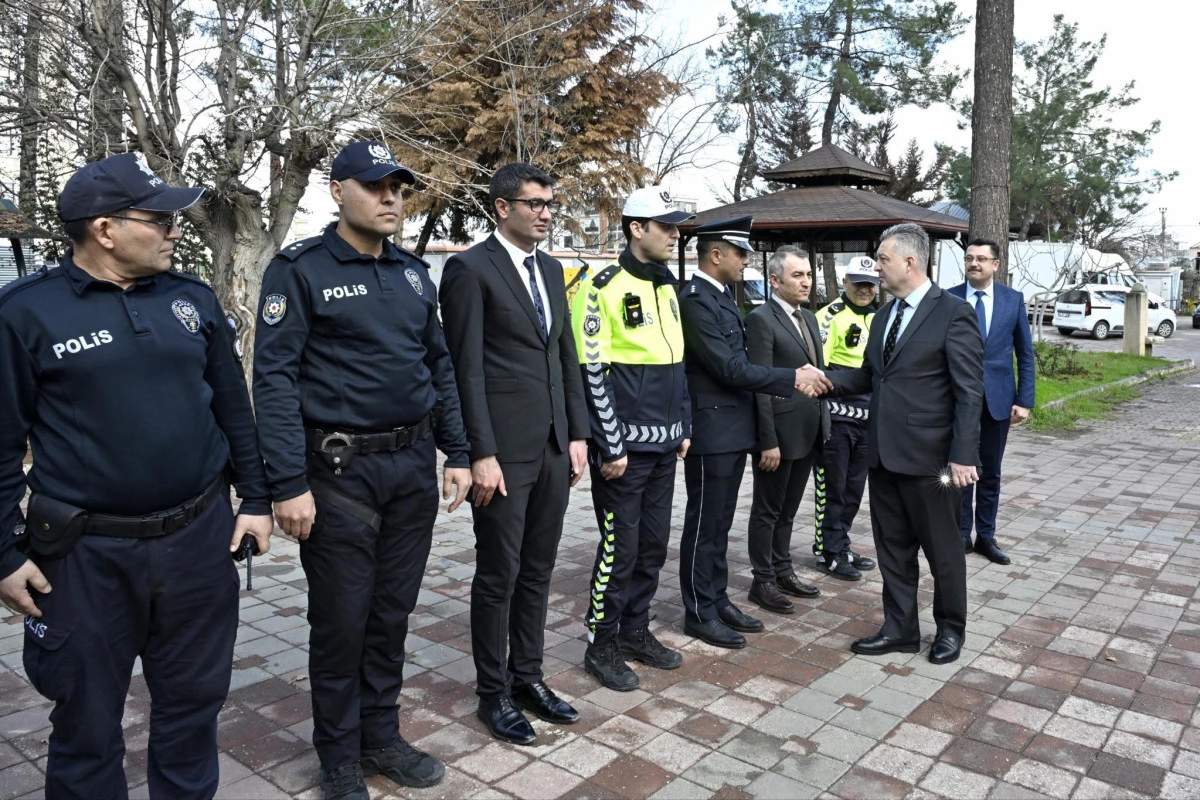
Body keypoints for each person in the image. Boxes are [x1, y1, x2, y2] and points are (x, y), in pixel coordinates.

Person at [0, 153, 273, 800]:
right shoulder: (23, 314)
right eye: (160, 218)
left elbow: (233, 407)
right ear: (104, 229)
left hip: (199, 541)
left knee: (192, 711)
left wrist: (257, 498)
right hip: (87, 557)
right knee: (88, 725)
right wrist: (4, 554)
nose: (176, 230)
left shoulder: (192, 298)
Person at [253, 141, 471, 800]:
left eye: (398, 188)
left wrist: (457, 451)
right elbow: (274, 379)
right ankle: (339, 756)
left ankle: (382, 736)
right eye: (376, 186)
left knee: (391, 615)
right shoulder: (300, 270)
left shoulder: (411, 273)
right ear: (337, 190)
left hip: (410, 469)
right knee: (343, 622)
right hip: (339, 475)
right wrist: (286, 483)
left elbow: (438, 365)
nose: (390, 199)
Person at [439, 163, 589, 746]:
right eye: (534, 203)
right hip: (501, 454)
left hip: (552, 446)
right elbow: (463, 369)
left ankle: (529, 677)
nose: (546, 212)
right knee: (499, 574)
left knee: (539, 570)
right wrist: (479, 451)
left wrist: (577, 433)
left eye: (550, 202)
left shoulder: (552, 270)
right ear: (502, 207)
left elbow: (565, 355)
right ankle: (492, 692)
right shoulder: (469, 268)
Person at [799, 223, 983, 665]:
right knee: (893, 550)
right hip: (883, 456)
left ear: (909, 261)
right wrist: (824, 380)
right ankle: (900, 629)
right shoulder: (884, 315)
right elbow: (868, 377)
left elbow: (969, 390)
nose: (876, 267)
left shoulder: (954, 312)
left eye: (882, 259)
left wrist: (962, 455)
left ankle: (950, 630)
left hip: (932, 460)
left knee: (943, 553)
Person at [571, 187, 694, 691]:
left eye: (675, 225)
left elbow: (677, 363)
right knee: (619, 550)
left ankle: (635, 632)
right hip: (625, 451)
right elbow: (591, 370)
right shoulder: (600, 286)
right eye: (665, 225)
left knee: (652, 546)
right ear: (636, 228)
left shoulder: (666, 285)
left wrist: (685, 423)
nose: (674, 234)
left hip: (667, 445)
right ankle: (600, 645)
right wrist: (611, 442)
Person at [678, 217, 810, 649]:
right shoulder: (696, 299)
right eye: (740, 253)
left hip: (731, 430)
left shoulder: (720, 298)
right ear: (716, 255)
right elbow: (728, 368)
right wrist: (791, 377)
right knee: (705, 525)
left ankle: (716, 600)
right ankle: (699, 610)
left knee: (720, 525)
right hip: (711, 430)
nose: (745, 261)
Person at [744, 246, 826, 615]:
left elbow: (818, 375)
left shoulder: (807, 318)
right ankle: (762, 580)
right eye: (798, 275)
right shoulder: (761, 319)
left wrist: (824, 425)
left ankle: (782, 570)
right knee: (767, 510)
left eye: (808, 274)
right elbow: (759, 383)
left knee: (789, 510)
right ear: (775, 280)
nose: (806, 281)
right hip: (778, 435)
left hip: (807, 431)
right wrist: (767, 440)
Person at [948, 238, 1035, 566]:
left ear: (996, 265)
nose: (974, 264)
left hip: (998, 400)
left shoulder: (1013, 301)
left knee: (991, 472)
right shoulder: (949, 298)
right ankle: (960, 535)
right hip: (957, 401)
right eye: (970, 258)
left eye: (982, 259)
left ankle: (986, 536)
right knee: (959, 468)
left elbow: (1025, 354)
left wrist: (1025, 400)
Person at [811, 257, 881, 581]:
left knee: (854, 489)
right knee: (834, 488)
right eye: (859, 283)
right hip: (838, 416)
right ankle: (828, 551)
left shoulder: (880, 319)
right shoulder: (828, 317)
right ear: (845, 282)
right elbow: (819, 372)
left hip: (869, 418)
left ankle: (842, 544)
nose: (865, 289)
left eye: (870, 283)